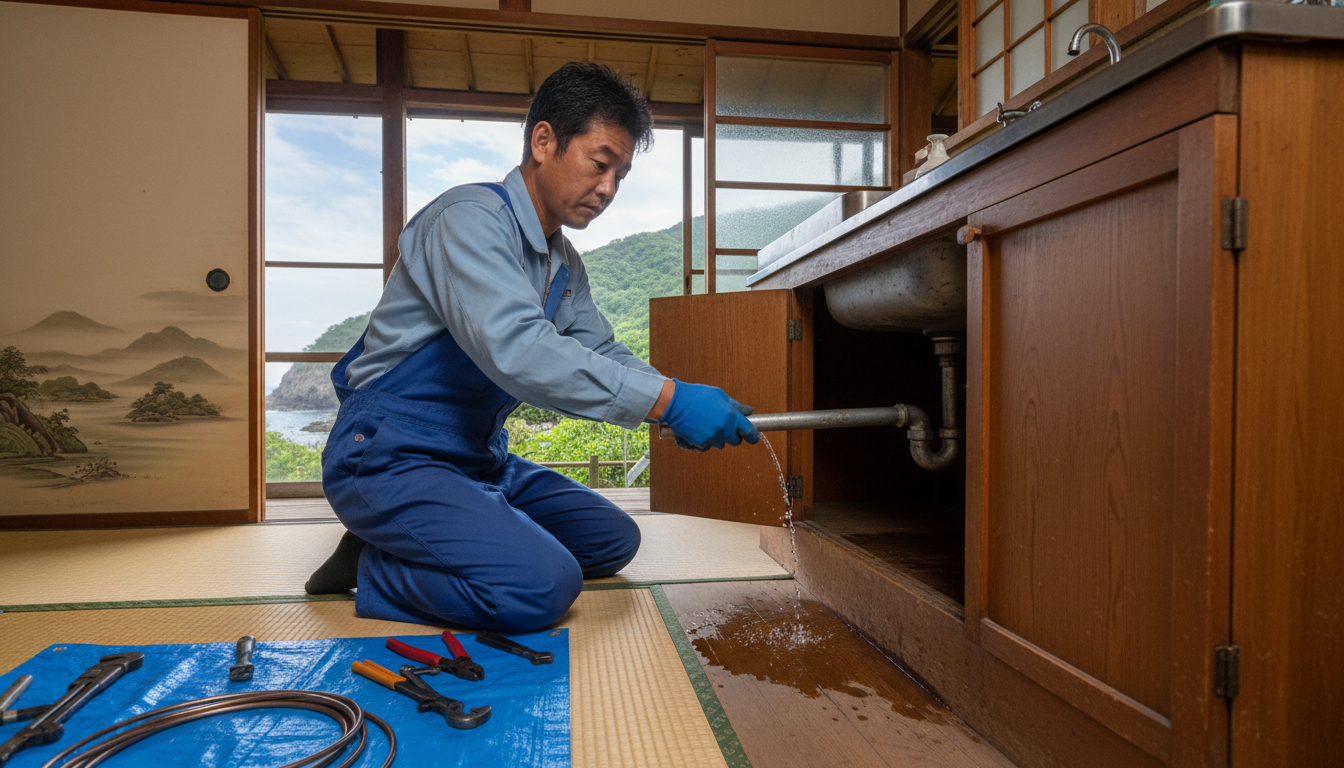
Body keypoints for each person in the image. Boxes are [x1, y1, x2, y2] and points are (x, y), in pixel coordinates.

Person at [305, 62, 759, 631]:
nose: (608, 189)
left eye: (621, 175)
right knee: (541, 586)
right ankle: (373, 566)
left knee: (611, 540)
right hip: (387, 456)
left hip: (477, 458)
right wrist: (668, 402)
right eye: (600, 164)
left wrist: (674, 397)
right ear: (544, 141)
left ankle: (442, 532)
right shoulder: (468, 219)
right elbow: (518, 350)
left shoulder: (563, 263)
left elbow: (601, 351)